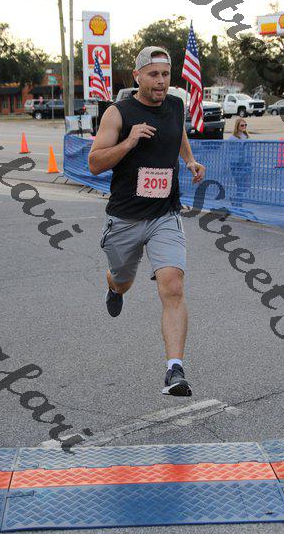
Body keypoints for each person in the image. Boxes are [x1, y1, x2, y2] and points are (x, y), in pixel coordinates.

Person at [88, 46, 205, 397]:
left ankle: (175, 370)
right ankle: (114, 287)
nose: (161, 81)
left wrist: (189, 160)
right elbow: (94, 163)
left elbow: (178, 133)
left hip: (164, 214)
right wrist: (129, 141)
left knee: (173, 285)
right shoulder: (118, 113)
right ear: (137, 75)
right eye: (153, 74)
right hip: (125, 218)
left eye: (165, 74)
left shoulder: (176, 106)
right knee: (123, 280)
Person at [228, 118, 252, 206]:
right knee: (240, 184)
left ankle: (236, 200)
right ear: (237, 126)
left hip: (246, 163)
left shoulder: (247, 136)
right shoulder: (232, 138)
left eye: (245, 125)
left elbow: (248, 150)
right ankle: (238, 202)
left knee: (246, 184)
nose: (244, 127)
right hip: (236, 164)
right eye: (242, 125)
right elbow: (231, 151)